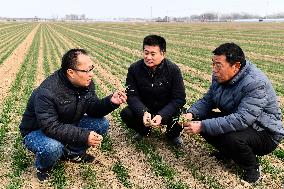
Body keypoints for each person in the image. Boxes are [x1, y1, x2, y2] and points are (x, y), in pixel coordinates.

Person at [180, 43, 284, 183]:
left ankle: (252, 166)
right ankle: (228, 152)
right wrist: (191, 114)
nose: (214, 70)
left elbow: (241, 119)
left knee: (230, 138)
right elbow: (208, 100)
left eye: (218, 65)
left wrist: (203, 126)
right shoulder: (219, 77)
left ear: (236, 66)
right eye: (213, 64)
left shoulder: (255, 83)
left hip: (264, 131)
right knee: (201, 119)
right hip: (239, 121)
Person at [19, 49, 127, 181]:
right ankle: (43, 166)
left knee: (101, 124)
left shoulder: (86, 83)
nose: (91, 74)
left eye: (91, 68)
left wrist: (110, 102)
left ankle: (72, 153)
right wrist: (83, 136)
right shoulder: (47, 92)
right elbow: (50, 127)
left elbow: (93, 108)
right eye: (87, 70)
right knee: (52, 147)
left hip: (67, 122)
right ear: (70, 72)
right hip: (37, 131)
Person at [120, 35, 186, 146]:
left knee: (182, 115)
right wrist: (143, 112)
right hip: (146, 109)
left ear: (163, 54)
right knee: (126, 113)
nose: (148, 57)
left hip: (166, 110)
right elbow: (132, 95)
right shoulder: (134, 69)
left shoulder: (173, 70)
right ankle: (144, 130)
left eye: (153, 54)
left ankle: (172, 135)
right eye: (146, 53)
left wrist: (162, 115)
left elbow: (179, 98)